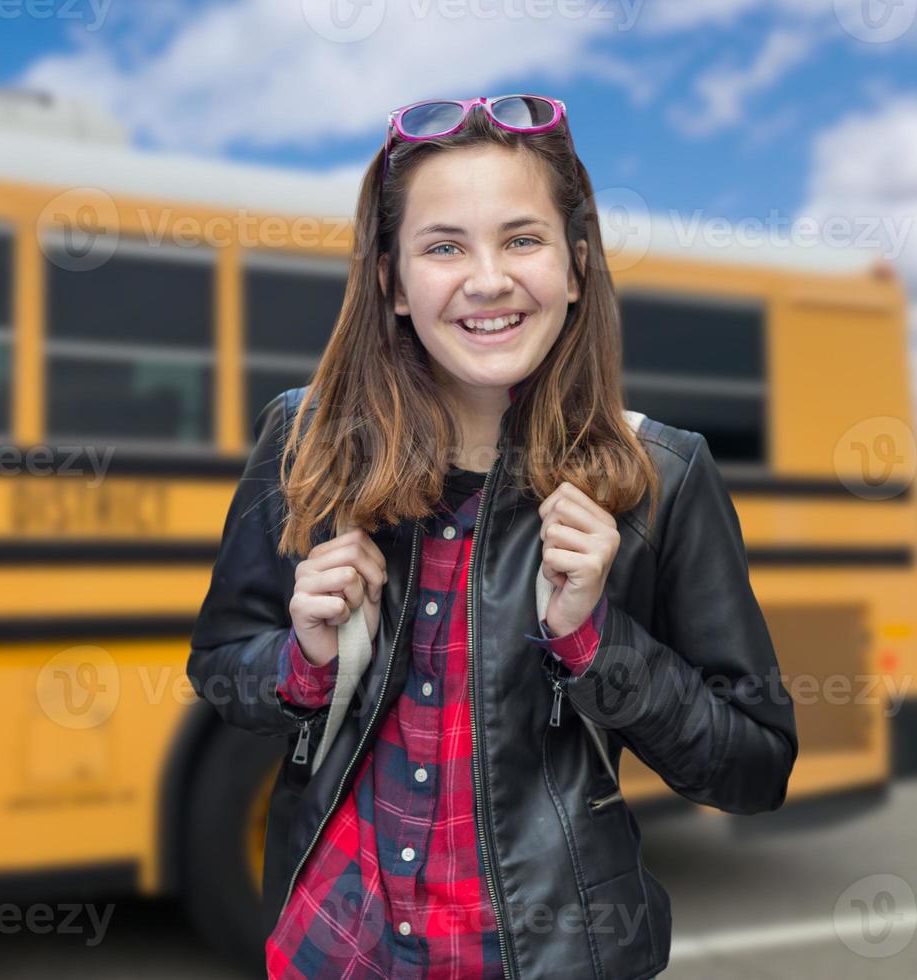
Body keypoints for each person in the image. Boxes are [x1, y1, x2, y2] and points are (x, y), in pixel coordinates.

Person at [186, 95, 798, 979]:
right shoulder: (304, 439)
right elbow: (220, 663)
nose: (486, 279)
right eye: (443, 246)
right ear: (393, 283)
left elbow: (753, 767)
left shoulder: (662, 477)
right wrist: (303, 660)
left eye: (521, 239)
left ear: (576, 267)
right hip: (330, 945)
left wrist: (592, 640)